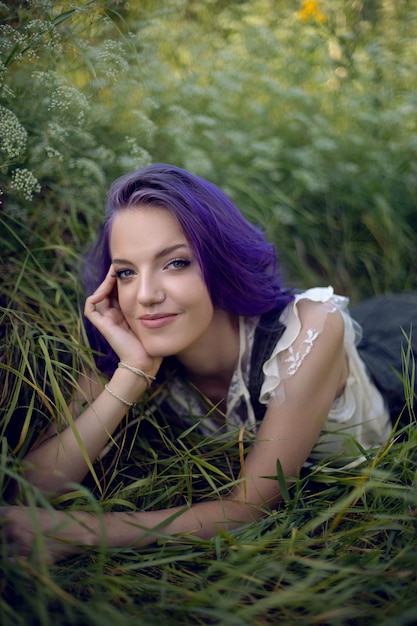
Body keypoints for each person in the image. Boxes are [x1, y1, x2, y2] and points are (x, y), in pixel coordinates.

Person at [1, 164, 416, 564]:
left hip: (400, 354)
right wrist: (131, 376)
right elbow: (28, 494)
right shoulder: (128, 341)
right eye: (126, 272)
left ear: (219, 260)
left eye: (176, 263)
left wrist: (80, 531)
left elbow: (249, 510)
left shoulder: (310, 330)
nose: (145, 295)